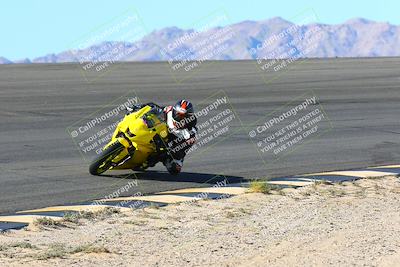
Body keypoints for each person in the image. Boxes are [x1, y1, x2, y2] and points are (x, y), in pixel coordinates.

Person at [126, 100, 197, 174]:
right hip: (160, 132)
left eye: (183, 116)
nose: (180, 118)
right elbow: (153, 106)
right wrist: (138, 107)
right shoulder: (169, 111)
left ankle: (147, 162)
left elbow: (182, 151)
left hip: (172, 145)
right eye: (178, 114)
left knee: (174, 169)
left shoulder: (190, 133)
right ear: (174, 111)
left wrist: (170, 149)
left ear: (189, 117)